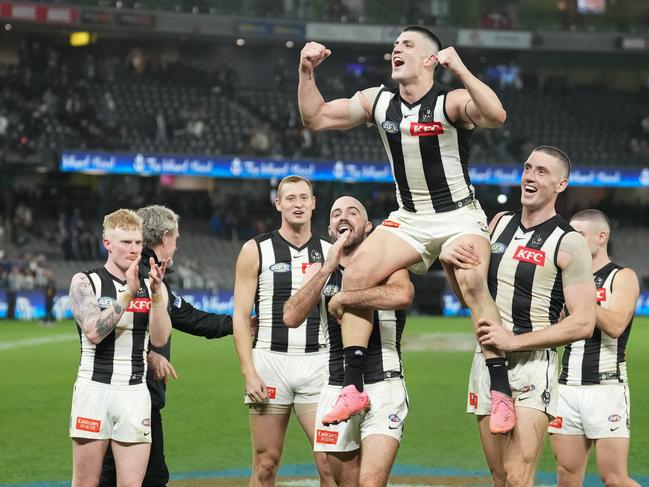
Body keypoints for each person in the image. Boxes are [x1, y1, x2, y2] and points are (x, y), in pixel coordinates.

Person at [298, 25, 515, 432]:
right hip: (410, 216)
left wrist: (462, 69)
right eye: (395, 44)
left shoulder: (449, 102)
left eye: (407, 45)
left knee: (471, 280)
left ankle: (501, 391)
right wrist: (306, 72)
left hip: (458, 215)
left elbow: (496, 115)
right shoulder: (377, 101)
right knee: (356, 274)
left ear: (431, 60)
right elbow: (316, 118)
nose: (396, 49)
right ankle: (353, 385)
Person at [452, 146, 597, 487]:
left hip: (534, 365)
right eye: (528, 168)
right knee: (501, 477)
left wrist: (513, 340)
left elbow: (584, 322)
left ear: (561, 185)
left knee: (519, 477)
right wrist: (451, 265)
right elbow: (471, 296)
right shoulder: (499, 224)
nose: (530, 176)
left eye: (542, 172)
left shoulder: (569, 242)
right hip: (488, 362)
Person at [283, 195, 413, 487]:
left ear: (367, 226)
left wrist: (345, 297)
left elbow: (402, 295)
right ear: (329, 229)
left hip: (384, 384)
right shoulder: (319, 270)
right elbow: (291, 316)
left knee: (370, 483)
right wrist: (328, 269)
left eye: (353, 212)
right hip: (336, 387)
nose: (343, 217)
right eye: (336, 214)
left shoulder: (391, 264)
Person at [99, 205, 234, 487]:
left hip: (136, 395)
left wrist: (241, 324)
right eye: (176, 238)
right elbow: (106, 331)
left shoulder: (153, 277)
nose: (176, 245)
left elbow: (192, 318)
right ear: (164, 237)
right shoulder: (139, 276)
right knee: (139, 477)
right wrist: (149, 354)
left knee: (133, 474)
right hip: (132, 392)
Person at [232, 175, 335, 487]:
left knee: (329, 465)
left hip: (318, 365)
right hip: (270, 365)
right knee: (265, 463)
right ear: (278, 204)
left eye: (304, 197)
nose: (298, 204)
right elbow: (240, 315)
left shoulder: (332, 252)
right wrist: (249, 372)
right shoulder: (255, 249)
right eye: (290, 198)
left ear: (314, 203)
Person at [68, 209, 172, 487]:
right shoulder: (84, 281)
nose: (134, 249)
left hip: (134, 393)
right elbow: (93, 332)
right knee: (86, 483)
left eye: (138, 243)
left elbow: (160, 339)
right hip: (94, 391)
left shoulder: (151, 286)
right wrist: (127, 292)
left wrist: (159, 295)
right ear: (107, 243)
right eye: (126, 242)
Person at [549, 209, 641, 487]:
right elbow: (557, 331)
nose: (570, 240)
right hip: (566, 388)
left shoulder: (622, 276)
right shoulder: (564, 279)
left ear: (601, 237)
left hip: (606, 388)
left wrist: (584, 298)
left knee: (614, 479)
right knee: (567, 474)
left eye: (577, 235)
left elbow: (615, 325)